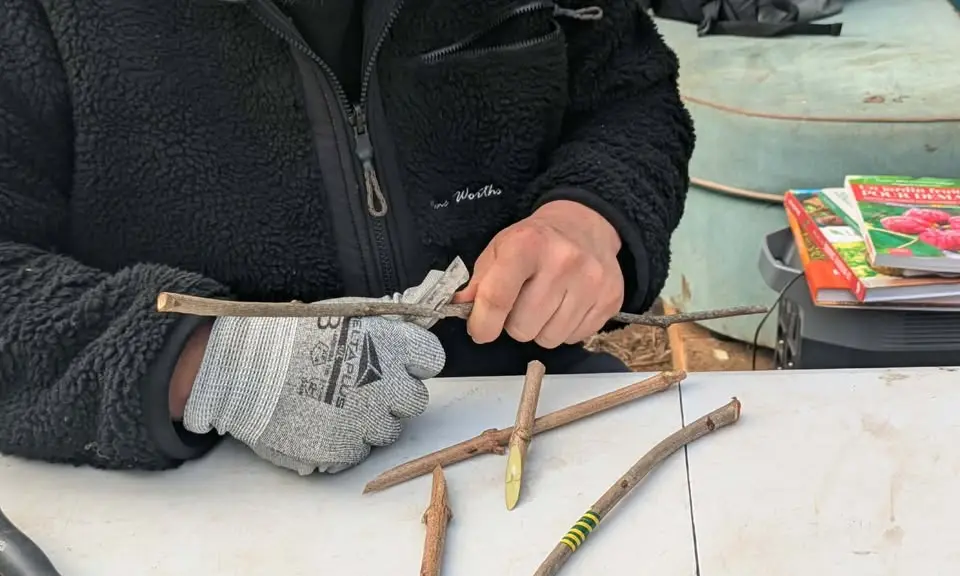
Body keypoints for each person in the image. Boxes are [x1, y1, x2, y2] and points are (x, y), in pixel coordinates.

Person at [0, 0, 694, 475]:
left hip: (530, 413)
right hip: (198, 484)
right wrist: (202, 365)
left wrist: (588, 214)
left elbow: (631, 93)